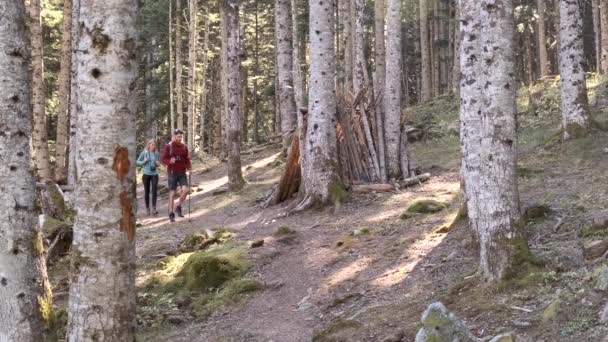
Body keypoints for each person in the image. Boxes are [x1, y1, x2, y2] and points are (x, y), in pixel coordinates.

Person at [161, 129, 192, 222]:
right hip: (172, 172)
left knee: (186, 190)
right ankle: (171, 213)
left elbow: (186, 159)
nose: (180, 138)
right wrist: (169, 161)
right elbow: (163, 159)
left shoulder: (184, 147)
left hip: (182, 172)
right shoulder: (169, 146)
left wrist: (189, 168)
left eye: (181, 137)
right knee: (172, 193)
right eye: (178, 136)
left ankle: (178, 206)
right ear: (174, 137)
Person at [136, 139, 161, 216]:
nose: (153, 146)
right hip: (146, 174)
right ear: (149, 145)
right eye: (152, 144)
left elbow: (158, 163)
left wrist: (158, 164)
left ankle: (154, 208)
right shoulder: (145, 153)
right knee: (147, 191)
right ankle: (147, 208)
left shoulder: (156, 153)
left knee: (154, 191)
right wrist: (144, 161)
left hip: (154, 174)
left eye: (154, 145)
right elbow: (137, 162)